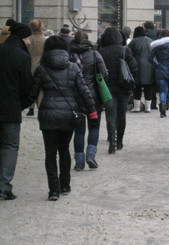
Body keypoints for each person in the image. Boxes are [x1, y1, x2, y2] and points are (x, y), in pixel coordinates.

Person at [31, 36, 97, 201]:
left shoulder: (42, 69)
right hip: (69, 114)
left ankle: (53, 190)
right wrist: (92, 111)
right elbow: (84, 91)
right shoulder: (73, 67)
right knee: (64, 150)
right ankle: (65, 185)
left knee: (50, 153)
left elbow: (32, 94)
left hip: (48, 115)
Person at [0, 23, 33, 200]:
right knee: (10, 146)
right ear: (22, 38)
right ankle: (3, 185)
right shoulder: (22, 57)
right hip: (11, 109)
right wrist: (21, 104)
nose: (29, 42)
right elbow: (27, 86)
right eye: (28, 39)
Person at [69, 30, 108, 171]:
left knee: (79, 131)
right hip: (93, 97)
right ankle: (91, 155)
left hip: (76, 96)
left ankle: (79, 162)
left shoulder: (70, 55)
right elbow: (104, 73)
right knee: (94, 127)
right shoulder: (94, 54)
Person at [99, 26, 138, 153]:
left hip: (108, 87)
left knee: (110, 115)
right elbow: (134, 68)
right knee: (121, 115)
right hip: (124, 88)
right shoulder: (124, 50)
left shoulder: (102, 51)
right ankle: (120, 141)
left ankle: (112, 142)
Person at [148, 29, 169, 118]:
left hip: (161, 70)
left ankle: (162, 111)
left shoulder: (157, 47)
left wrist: (157, 65)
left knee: (163, 91)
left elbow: (149, 59)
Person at [128, 26, 154, 113]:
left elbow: (128, 53)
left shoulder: (134, 41)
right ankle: (148, 107)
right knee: (148, 87)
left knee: (137, 87)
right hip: (149, 66)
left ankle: (137, 107)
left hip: (137, 66)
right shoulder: (150, 40)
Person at [26, 19, 46, 117]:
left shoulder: (29, 38)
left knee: (31, 86)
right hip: (41, 62)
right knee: (41, 87)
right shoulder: (44, 39)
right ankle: (40, 105)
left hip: (30, 62)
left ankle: (31, 107)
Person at [143, 21, 158, 110]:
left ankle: (147, 103)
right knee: (153, 83)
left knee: (147, 83)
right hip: (155, 59)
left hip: (146, 59)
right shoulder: (156, 34)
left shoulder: (145, 35)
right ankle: (153, 103)